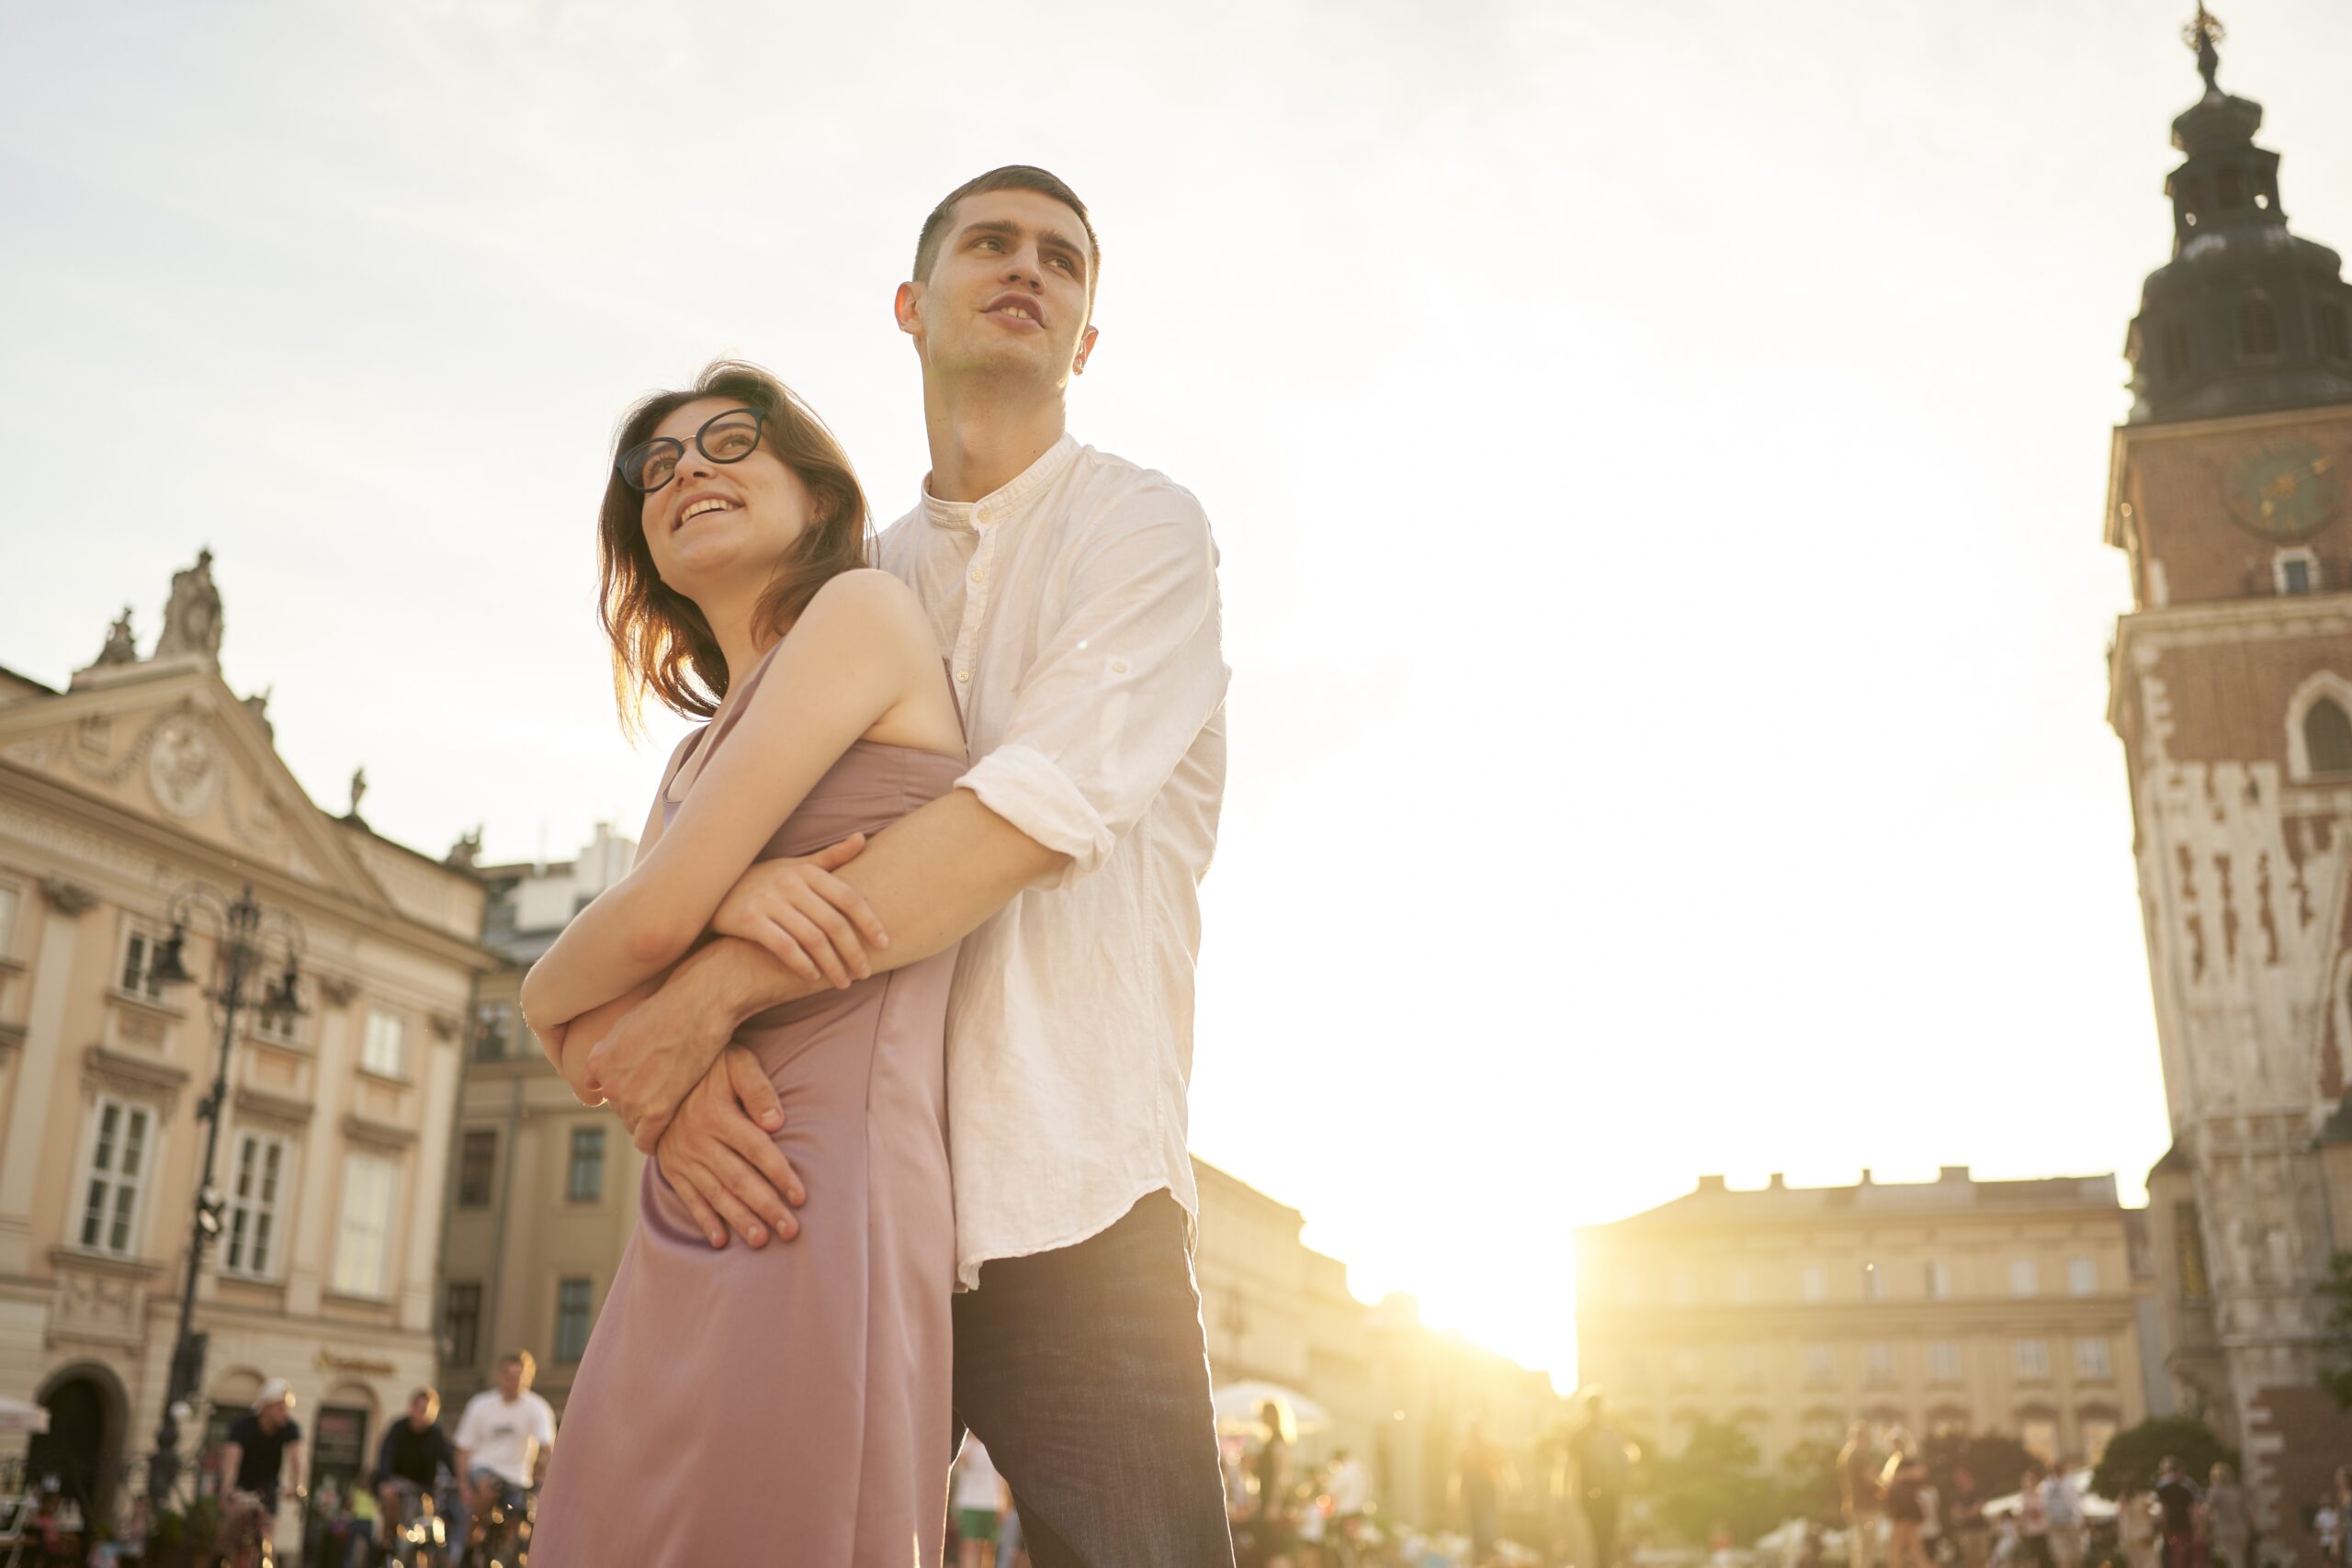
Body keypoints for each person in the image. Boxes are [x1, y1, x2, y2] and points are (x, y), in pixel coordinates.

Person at [565, 164, 1232, 1565]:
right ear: (910, 305)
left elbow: (1026, 817)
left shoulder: (1143, 531)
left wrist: (701, 999)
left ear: (1088, 338)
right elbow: (681, 879)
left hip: (1072, 1190)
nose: (1027, 267)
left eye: (1063, 258)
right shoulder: (853, 579)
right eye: (990, 243)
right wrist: (674, 1074)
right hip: (838, 1191)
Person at [520, 358, 967, 1568]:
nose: (688, 472)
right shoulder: (687, 757)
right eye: (655, 468)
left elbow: (646, 936)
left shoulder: (861, 613)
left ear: (816, 496)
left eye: (728, 442)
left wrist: (539, 995)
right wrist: (711, 916)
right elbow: (628, 1026)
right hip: (690, 1175)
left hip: (813, 1173)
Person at [453, 1352, 555, 1530]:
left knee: (519, 1517)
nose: (513, 1382)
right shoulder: (480, 1404)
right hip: (484, 1467)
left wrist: (546, 1475)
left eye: (518, 1377)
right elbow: (463, 1448)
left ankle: (506, 1553)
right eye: (509, 1375)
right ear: (500, 1376)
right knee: (487, 1488)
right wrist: (462, 1484)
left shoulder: (537, 1408)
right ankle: (469, 1534)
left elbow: (547, 1446)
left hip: (517, 1477)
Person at [218, 1380, 304, 1556]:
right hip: (242, 1483)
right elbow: (231, 1463)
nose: (285, 1413)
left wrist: (298, 1485)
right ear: (265, 1407)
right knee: (229, 1529)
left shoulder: (290, 1428)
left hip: (268, 1485)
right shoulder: (242, 1428)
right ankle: (223, 1557)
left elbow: (298, 1458)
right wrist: (228, 1488)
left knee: (268, 1534)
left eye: (286, 1408)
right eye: (280, 1408)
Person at [374, 1387, 457, 1551]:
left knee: (432, 1523)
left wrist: (458, 1479)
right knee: (390, 1496)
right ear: (411, 1408)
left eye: (427, 1411)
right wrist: (384, 1481)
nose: (423, 1414)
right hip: (397, 1483)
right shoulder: (398, 1429)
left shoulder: (436, 1434)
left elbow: (449, 1459)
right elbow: (385, 1456)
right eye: (420, 1409)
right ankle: (388, 1540)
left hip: (424, 1489)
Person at [1572, 1393, 1638, 1568]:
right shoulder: (1611, 1433)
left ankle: (1599, 1563)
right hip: (1610, 1493)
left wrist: (1562, 1495)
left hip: (1587, 1494)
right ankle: (1605, 1563)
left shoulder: (1579, 1433)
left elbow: (1568, 1466)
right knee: (1608, 1536)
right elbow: (1630, 1457)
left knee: (1595, 1536)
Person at [1879, 1433, 1928, 1568]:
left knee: (1902, 1545)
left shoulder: (1908, 1460)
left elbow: (1920, 1473)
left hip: (1907, 1506)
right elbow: (1885, 1482)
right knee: (1908, 1544)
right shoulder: (1892, 1461)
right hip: (1899, 1506)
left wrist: (1900, 1476)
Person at [956, 1440, 1008, 1568]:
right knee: (970, 1547)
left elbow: (1001, 1476)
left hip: (992, 1504)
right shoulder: (964, 1444)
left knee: (988, 1549)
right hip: (970, 1503)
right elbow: (961, 1464)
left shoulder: (995, 1444)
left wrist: (1004, 1503)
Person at [1839, 1423, 1882, 1568]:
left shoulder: (1847, 1455)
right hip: (1865, 1505)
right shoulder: (1859, 1455)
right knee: (1867, 1544)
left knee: (1860, 1544)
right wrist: (1884, 1485)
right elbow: (1868, 1479)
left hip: (1855, 1504)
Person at [2153, 1457, 2199, 1568]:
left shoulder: (2164, 1487)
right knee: (2181, 1556)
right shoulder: (2187, 1487)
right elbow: (2193, 1510)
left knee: (2177, 1556)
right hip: (2180, 1525)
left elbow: (2163, 1510)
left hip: (2174, 1526)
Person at [2204, 1463, 2248, 1568]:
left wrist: (2206, 1528)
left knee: (2232, 1559)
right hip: (2241, 1529)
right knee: (2238, 1557)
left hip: (2225, 1529)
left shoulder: (2216, 1491)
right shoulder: (2237, 1490)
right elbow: (2247, 1511)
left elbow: (2208, 1510)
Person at [2043, 1462, 2087, 1568]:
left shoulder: (2048, 1485)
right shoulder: (2068, 1483)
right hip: (2070, 1522)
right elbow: (2074, 1503)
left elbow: (2044, 1506)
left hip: (2055, 1524)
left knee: (2062, 1556)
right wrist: (2081, 1521)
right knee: (2076, 1555)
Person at [1951, 1463, 1990, 1568]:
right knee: (1969, 1560)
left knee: (1982, 1558)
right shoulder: (1957, 1494)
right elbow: (1955, 1514)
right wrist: (1968, 1513)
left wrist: (1964, 1513)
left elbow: (1977, 1509)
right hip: (1966, 1531)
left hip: (1980, 1529)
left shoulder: (1978, 1489)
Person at [2116, 1483, 2159, 1568]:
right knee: (2149, 1564)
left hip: (2128, 1539)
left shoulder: (2122, 1500)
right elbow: (2155, 1516)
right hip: (2145, 1535)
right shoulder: (2144, 1498)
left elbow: (2120, 1519)